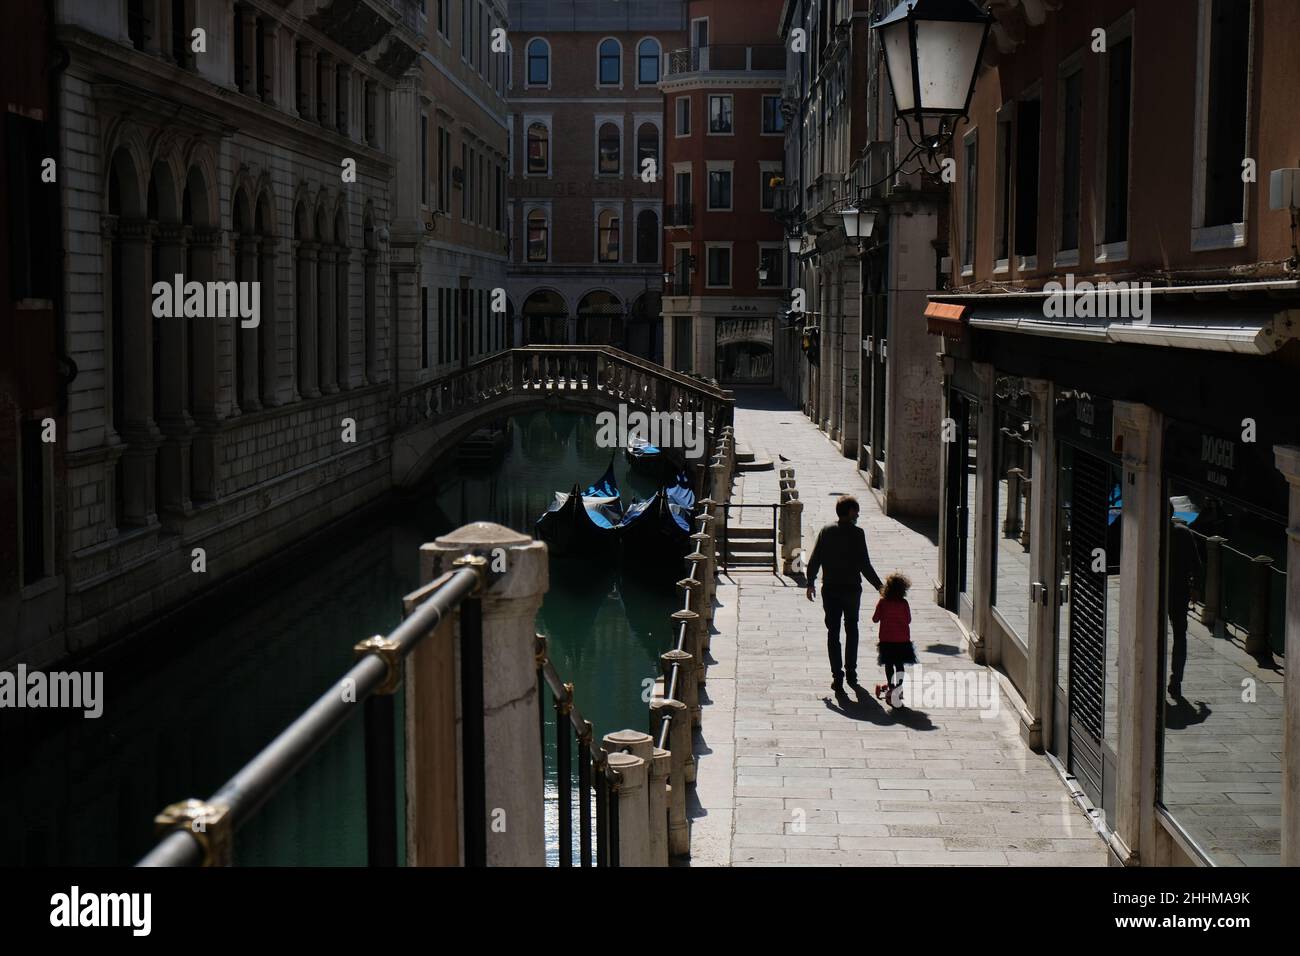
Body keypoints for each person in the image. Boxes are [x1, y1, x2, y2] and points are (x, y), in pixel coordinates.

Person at [805, 495, 884, 692]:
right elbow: (864, 565)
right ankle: (851, 672)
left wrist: (810, 582)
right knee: (852, 630)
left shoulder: (826, 531)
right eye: (856, 510)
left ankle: (837, 676)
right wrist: (880, 587)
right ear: (849, 512)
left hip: (830, 589)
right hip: (851, 590)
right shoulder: (858, 534)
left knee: (833, 633)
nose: (858, 514)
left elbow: (815, 559)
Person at [873, 573, 917, 707]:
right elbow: (908, 620)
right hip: (902, 640)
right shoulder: (904, 603)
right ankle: (899, 687)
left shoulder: (882, 602)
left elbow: (875, 619)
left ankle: (891, 687)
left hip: (886, 639)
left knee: (888, 664)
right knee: (899, 664)